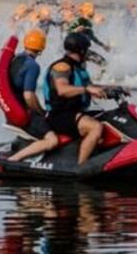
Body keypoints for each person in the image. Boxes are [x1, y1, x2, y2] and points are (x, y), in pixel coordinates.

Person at [43, 32, 108, 165]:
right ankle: (81, 166)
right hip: (59, 116)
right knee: (95, 127)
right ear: (82, 50)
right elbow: (62, 90)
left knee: (109, 118)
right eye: (87, 50)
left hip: (74, 113)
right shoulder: (62, 67)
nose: (89, 53)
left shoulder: (78, 67)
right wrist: (87, 89)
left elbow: (91, 86)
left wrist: (114, 90)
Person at [7, 30, 59, 162]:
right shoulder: (32, 66)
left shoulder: (17, 59)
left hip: (12, 110)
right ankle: (14, 159)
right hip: (24, 113)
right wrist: (42, 112)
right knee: (52, 140)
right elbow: (29, 96)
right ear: (42, 47)